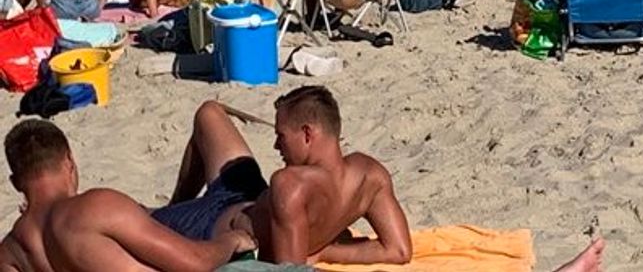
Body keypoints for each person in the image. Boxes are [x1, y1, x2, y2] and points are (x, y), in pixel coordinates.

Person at [153, 88, 413, 265]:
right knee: (209, 113)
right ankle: (176, 204)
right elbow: (398, 250)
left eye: (281, 137)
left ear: (307, 134)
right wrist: (326, 250)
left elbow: (289, 269)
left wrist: (323, 252)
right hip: (251, 197)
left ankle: (172, 212)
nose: (277, 147)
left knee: (140, 219)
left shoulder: (290, 184)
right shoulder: (371, 175)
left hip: (211, 223)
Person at [0, 120, 253, 272]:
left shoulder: (10, 253)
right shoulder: (95, 207)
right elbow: (195, 264)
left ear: (15, 182)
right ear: (69, 161)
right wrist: (231, 241)